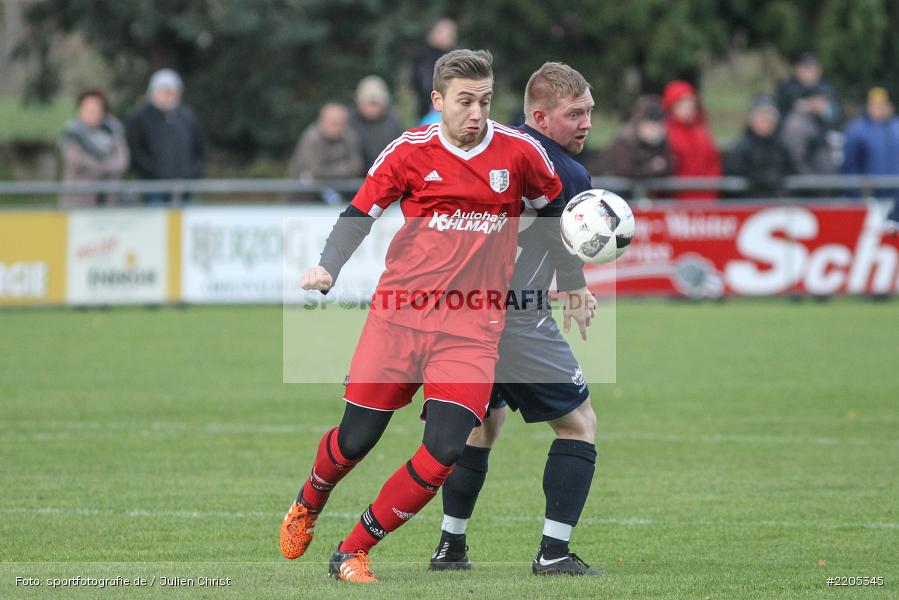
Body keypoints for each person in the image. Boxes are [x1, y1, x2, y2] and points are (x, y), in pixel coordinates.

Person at [279, 49, 564, 584]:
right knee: (355, 440)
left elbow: (555, 206)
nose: (477, 112)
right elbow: (359, 213)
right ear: (438, 102)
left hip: (473, 325)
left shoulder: (519, 153)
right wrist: (326, 267)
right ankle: (310, 499)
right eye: (464, 101)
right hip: (399, 318)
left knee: (446, 449)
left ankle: (353, 549)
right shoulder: (409, 150)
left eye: (485, 100)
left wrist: (568, 272)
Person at [427, 61, 600, 577]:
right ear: (541, 117)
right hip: (517, 316)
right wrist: (575, 284)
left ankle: (450, 547)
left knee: (483, 426)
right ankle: (554, 552)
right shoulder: (566, 172)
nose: (587, 123)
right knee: (578, 426)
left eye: (590, 111)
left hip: (463, 312)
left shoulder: (495, 149)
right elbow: (563, 235)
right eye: (575, 114)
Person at [126, 68, 206, 204]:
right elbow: (136, 151)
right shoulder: (141, 118)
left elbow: (199, 148)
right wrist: (153, 173)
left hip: (185, 188)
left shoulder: (187, 116)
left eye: (171, 92)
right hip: (154, 189)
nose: (167, 96)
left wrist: (193, 173)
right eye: (163, 91)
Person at [58, 89, 129, 208]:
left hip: (109, 201)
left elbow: (121, 161)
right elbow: (76, 161)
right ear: (79, 110)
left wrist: (100, 168)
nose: (93, 113)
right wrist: (106, 168)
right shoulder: (71, 134)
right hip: (78, 201)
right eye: (89, 109)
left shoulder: (114, 132)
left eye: (97, 109)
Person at [285, 102, 363, 204]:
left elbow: (357, 167)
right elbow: (315, 172)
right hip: (304, 200)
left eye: (342, 123)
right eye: (334, 123)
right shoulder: (311, 138)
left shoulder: (350, 136)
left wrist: (327, 172)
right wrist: (343, 169)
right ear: (322, 121)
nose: (338, 128)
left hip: (342, 197)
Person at [661, 80, 721, 200]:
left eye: (690, 104)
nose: (688, 109)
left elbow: (713, 162)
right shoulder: (665, 132)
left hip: (706, 198)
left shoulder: (702, 132)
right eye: (682, 104)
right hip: (677, 201)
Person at [724, 96, 795, 198]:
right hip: (750, 204)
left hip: (777, 204)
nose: (766, 122)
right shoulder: (742, 147)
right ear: (751, 120)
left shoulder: (781, 146)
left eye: (769, 119)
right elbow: (733, 175)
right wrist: (761, 179)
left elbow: (792, 170)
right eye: (761, 118)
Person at [842, 87, 899, 202]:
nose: (878, 108)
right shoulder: (856, 129)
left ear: (890, 106)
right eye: (873, 104)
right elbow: (850, 164)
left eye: (882, 104)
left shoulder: (896, 127)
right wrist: (856, 192)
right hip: (869, 195)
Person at [602, 96, 671, 179]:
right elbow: (622, 170)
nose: (655, 129)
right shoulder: (625, 140)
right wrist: (651, 168)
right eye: (651, 125)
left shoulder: (660, 141)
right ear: (640, 123)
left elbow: (669, 164)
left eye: (658, 125)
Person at [780, 85, 840, 176]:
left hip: (820, 182)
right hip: (810, 185)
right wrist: (811, 182)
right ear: (811, 100)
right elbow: (796, 159)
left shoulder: (814, 121)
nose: (824, 104)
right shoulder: (798, 124)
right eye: (821, 100)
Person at [348, 76, 403, 171]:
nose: (372, 108)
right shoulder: (349, 121)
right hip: (355, 180)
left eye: (375, 103)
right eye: (369, 103)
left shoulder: (393, 122)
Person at [775, 52, 841, 129]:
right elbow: (781, 111)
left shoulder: (827, 88)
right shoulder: (786, 87)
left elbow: (837, 116)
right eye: (806, 69)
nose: (810, 73)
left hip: (820, 131)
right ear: (797, 70)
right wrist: (807, 105)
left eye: (813, 69)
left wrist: (824, 108)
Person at [410, 18, 457, 119]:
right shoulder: (423, 56)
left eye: (450, 35)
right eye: (443, 33)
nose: (447, 38)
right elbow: (421, 83)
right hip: (428, 107)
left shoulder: (455, 56)